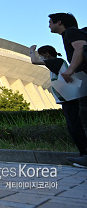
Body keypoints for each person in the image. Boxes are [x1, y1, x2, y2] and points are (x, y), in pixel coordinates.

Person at [30, 44, 87, 157]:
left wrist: (31, 51)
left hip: (70, 98)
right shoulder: (57, 64)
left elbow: (34, 61)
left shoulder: (57, 61)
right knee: (72, 127)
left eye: (41, 55)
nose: (41, 58)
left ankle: (85, 154)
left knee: (75, 127)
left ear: (47, 54)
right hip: (68, 98)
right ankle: (83, 153)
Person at [47, 13, 87, 168]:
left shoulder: (71, 32)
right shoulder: (69, 34)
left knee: (83, 118)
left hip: (85, 77)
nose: (49, 25)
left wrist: (70, 70)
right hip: (83, 78)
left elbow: (80, 48)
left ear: (59, 22)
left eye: (50, 22)